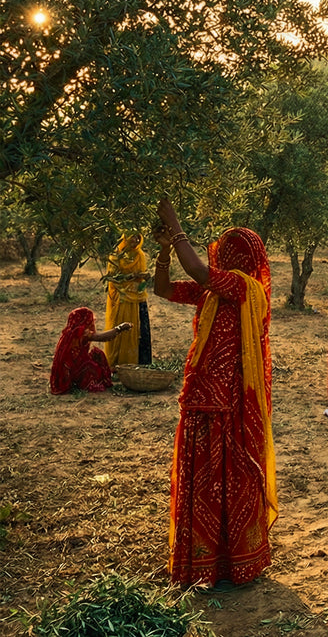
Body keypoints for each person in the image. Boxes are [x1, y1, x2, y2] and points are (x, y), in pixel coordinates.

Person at [153, 199, 277, 588]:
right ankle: (205, 561)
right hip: (202, 397)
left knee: (228, 477)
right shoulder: (212, 292)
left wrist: (175, 226)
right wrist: (163, 251)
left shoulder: (242, 287)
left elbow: (196, 269)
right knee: (205, 478)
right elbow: (162, 288)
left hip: (230, 402)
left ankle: (234, 561)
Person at [50, 307, 133, 395]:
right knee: (92, 367)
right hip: (71, 368)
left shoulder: (69, 331)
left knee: (97, 354)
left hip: (70, 366)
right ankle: (86, 383)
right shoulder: (79, 332)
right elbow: (101, 337)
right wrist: (120, 328)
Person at [104, 233, 152, 368]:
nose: (136, 240)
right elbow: (112, 277)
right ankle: (120, 363)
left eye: (138, 237)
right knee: (122, 330)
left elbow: (142, 278)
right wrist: (132, 276)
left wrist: (145, 277)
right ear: (125, 238)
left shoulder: (140, 255)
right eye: (133, 237)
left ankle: (140, 365)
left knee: (140, 331)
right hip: (122, 298)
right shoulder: (116, 255)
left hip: (138, 297)